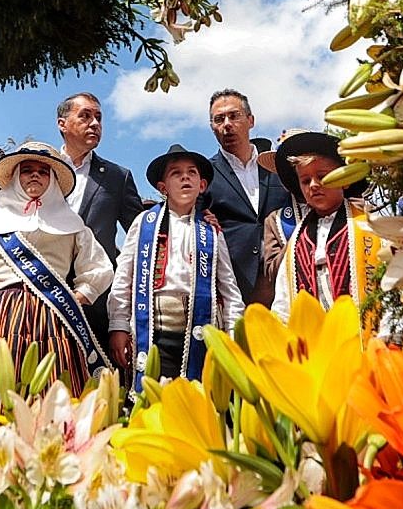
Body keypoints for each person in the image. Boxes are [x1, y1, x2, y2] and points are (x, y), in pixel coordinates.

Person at [0, 142, 114, 403]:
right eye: (27, 170)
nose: (35, 175)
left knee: (53, 386)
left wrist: (81, 295)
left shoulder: (72, 224)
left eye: (43, 171)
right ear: (15, 177)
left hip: (53, 314)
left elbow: (98, 266)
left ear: (53, 180)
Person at [108, 145, 241, 391]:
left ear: (202, 185)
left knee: (197, 399)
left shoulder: (211, 231)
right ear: (162, 188)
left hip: (200, 330)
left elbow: (229, 288)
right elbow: (123, 277)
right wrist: (118, 325)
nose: (185, 178)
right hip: (154, 330)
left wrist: (234, 333)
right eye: (176, 173)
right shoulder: (144, 224)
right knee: (152, 397)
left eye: (192, 173)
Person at [259, 131, 386, 324]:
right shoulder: (295, 243)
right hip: (316, 343)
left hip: (366, 338)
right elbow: (283, 303)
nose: (314, 185)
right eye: (305, 180)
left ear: (346, 180)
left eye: (323, 176)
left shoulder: (371, 224)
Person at [55, 93, 142, 350]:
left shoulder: (117, 177)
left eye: (99, 118)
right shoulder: (41, 169)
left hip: (96, 300)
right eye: (85, 116)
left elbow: (140, 231)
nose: (94, 123)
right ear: (62, 124)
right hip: (43, 293)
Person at [203, 89, 286, 306]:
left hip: (285, 280)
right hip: (235, 289)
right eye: (219, 119)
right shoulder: (204, 175)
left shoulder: (277, 166)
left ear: (250, 120)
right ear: (212, 128)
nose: (227, 124)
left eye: (234, 116)